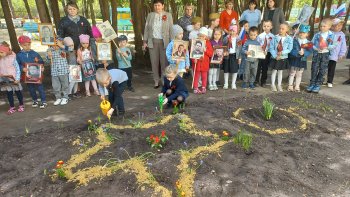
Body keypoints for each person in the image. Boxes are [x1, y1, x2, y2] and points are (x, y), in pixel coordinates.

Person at [143, 0, 174, 89]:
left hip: (165, 42)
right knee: (154, 62)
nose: (157, 7)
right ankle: (156, 80)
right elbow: (146, 29)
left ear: (163, 6)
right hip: (152, 42)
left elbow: (171, 29)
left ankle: (164, 79)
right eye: (155, 5)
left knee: (164, 62)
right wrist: (144, 41)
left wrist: (172, 43)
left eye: (159, 5)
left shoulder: (168, 15)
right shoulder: (150, 15)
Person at [16, 35, 47, 108]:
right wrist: (22, 68)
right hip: (27, 76)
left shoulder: (34, 53)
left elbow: (41, 62)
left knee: (40, 88)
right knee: (31, 89)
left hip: (37, 75)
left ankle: (43, 101)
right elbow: (17, 65)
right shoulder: (19, 55)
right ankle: (35, 100)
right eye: (25, 45)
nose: (27, 46)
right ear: (20, 45)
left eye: (29, 44)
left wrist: (42, 66)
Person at [307, 18, 335, 93]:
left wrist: (327, 47)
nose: (322, 28)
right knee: (314, 68)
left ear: (329, 27)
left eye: (324, 26)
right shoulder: (317, 35)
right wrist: (316, 48)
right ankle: (312, 83)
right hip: (317, 54)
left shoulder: (332, 35)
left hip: (325, 54)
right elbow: (311, 44)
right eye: (321, 26)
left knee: (322, 69)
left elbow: (334, 45)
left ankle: (318, 84)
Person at [0, 42, 25, 114]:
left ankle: (21, 105)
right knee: (9, 93)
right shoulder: (0, 59)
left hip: (14, 79)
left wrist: (17, 78)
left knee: (18, 92)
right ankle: (12, 107)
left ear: (6, 51)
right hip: (5, 79)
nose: (0, 54)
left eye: (1, 52)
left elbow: (17, 69)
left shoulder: (12, 58)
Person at [288, 24, 313, 92]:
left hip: (302, 60)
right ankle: (290, 85)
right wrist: (296, 53)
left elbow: (310, 51)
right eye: (300, 32)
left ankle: (297, 86)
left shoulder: (308, 43)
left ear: (307, 34)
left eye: (304, 33)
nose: (301, 34)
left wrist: (304, 53)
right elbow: (291, 50)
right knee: (292, 72)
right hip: (295, 59)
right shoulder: (294, 41)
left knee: (299, 74)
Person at [269, 23, 293, 92]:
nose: (280, 30)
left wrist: (282, 52)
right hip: (275, 58)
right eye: (280, 28)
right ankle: (272, 85)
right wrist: (275, 56)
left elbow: (289, 49)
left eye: (283, 29)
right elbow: (271, 48)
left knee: (280, 72)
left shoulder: (289, 39)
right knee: (274, 71)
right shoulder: (274, 37)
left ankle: (279, 85)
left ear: (287, 30)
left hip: (283, 57)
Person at [47, 39, 70, 106]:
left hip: (63, 71)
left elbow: (70, 49)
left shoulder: (63, 49)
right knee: (55, 86)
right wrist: (49, 56)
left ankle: (65, 97)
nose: (55, 46)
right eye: (54, 44)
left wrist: (61, 45)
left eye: (57, 44)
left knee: (65, 85)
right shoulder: (49, 50)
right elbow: (48, 60)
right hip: (54, 71)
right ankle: (58, 98)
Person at [192, 27, 213, 94]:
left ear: (206, 36)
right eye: (200, 36)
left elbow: (211, 54)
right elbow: (192, 52)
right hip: (197, 63)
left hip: (205, 63)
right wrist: (193, 60)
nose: (201, 37)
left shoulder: (208, 43)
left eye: (203, 36)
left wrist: (205, 50)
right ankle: (195, 87)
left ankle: (203, 87)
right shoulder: (195, 42)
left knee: (204, 76)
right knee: (196, 76)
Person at [327, 18, 347, 88]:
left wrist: (342, 53)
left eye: (340, 25)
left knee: (331, 68)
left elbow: (343, 45)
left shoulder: (342, 35)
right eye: (337, 26)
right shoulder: (329, 32)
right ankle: (320, 79)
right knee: (323, 67)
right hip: (325, 53)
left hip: (334, 55)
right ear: (332, 26)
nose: (339, 27)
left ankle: (329, 81)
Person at [223, 24, 241, 90]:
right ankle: (226, 83)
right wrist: (224, 52)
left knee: (235, 70)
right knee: (226, 70)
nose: (232, 32)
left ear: (236, 31)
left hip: (235, 56)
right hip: (227, 55)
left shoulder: (238, 39)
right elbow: (223, 46)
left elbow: (240, 49)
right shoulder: (226, 38)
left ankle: (233, 83)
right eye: (231, 31)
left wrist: (239, 57)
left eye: (234, 31)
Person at [256, 20, 274, 87]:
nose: (266, 27)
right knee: (258, 67)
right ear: (262, 27)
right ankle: (256, 80)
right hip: (260, 53)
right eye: (264, 26)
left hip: (268, 54)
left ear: (271, 27)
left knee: (265, 67)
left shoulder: (273, 37)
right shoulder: (260, 36)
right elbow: (257, 44)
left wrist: (268, 51)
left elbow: (273, 46)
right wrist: (261, 50)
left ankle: (263, 81)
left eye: (268, 26)